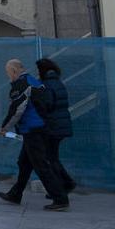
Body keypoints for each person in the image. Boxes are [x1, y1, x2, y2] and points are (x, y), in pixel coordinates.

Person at [0, 58, 69, 211]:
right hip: (41, 127)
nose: (8, 76)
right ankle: (15, 194)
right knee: (24, 163)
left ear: (14, 71)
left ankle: (60, 198)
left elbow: (17, 109)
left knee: (41, 165)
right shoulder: (34, 81)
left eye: (8, 73)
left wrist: (4, 127)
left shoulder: (20, 85)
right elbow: (48, 103)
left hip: (32, 130)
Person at [35, 57, 77, 196]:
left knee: (49, 158)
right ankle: (65, 183)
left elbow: (46, 105)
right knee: (53, 157)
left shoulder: (47, 85)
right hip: (60, 124)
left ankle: (62, 186)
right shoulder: (57, 82)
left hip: (52, 125)